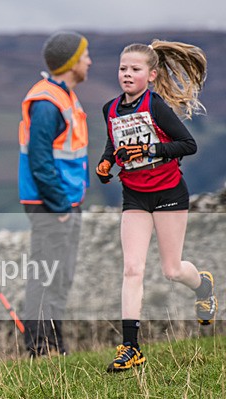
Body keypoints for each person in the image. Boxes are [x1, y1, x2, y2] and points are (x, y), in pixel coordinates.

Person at [95, 41, 216, 373]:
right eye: (123, 69)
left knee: (172, 270)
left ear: (151, 74)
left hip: (168, 193)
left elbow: (187, 144)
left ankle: (202, 285)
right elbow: (114, 143)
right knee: (132, 269)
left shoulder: (156, 106)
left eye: (135, 69)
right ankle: (130, 348)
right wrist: (106, 164)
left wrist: (150, 151)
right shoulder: (110, 108)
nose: (127, 75)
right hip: (134, 195)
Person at [18, 31, 92, 357]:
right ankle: (40, 349)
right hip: (52, 204)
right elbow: (40, 159)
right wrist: (61, 205)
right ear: (72, 62)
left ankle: (54, 346)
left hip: (64, 201)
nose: (90, 61)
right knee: (47, 277)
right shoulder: (48, 102)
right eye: (85, 55)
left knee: (59, 277)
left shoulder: (63, 95)